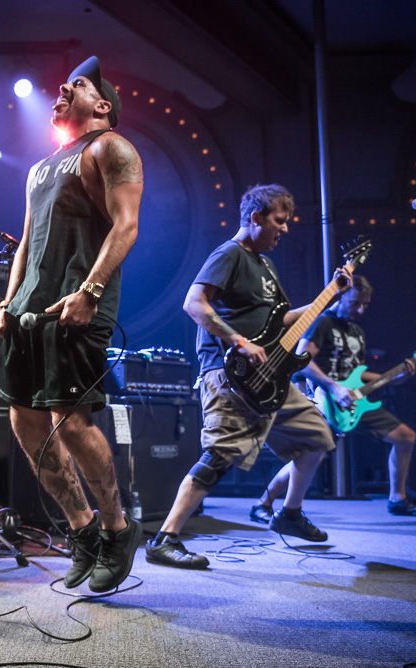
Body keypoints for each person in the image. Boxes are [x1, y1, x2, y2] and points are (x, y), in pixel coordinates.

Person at [0, 56, 143, 593]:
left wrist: (90, 291)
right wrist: (7, 303)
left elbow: (127, 225)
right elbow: (26, 245)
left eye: (75, 85)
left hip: (77, 308)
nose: (61, 89)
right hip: (30, 311)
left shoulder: (110, 147)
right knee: (26, 423)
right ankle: (81, 530)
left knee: (71, 422)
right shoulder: (40, 167)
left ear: (101, 105)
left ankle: (117, 530)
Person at [144, 183, 351, 570]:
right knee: (219, 456)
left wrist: (329, 297)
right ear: (255, 218)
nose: (284, 229)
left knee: (317, 439)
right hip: (229, 373)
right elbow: (193, 302)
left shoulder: (266, 265)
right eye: (279, 221)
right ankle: (164, 539)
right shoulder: (229, 254)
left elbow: (282, 321)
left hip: (271, 373)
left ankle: (289, 513)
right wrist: (238, 340)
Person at [250, 276, 416, 521]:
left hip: (354, 400)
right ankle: (264, 503)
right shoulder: (323, 323)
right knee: (312, 454)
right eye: (356, 302)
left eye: (365, 304)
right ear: (342, 296)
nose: (360, 309)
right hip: (325, 397)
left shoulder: (357, 331)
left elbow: (357, 372)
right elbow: (301, 362)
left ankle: (397, 499)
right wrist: (334, 387)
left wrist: (393, 377)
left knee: (406, 437)